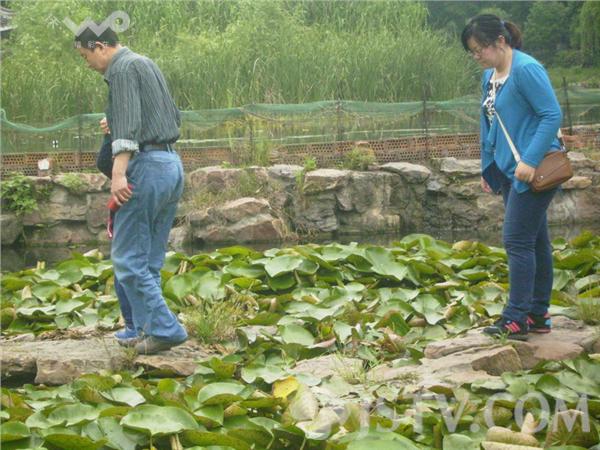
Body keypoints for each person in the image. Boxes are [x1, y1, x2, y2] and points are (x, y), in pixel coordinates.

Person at [75, 24, 188, 354]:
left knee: (127, 259)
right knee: (148, 261)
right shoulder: (145, 62)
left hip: (146, 167)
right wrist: (115, 122)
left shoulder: (121, 69)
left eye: (85, 56)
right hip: (170, 165)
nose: (87, 64)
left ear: (99, 46)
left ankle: (165, 329)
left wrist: (118, 174)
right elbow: (172, 117)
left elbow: (127, 130)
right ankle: (143, 329)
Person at [461, 15, 563, 340]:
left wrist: (530, 160)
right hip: (508, 170)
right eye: (472, 52)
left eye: (479, 49)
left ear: (500, 42)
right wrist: (488, 166)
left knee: (516, 240)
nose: (476, 56)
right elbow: (488, 123)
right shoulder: (490, 77)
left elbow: (551, 114)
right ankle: (538, 314)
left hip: (535, 169)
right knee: (536, 240)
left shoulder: (526, 69)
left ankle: (516, 318)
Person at [97, 129, 137, 341]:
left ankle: (133, 326)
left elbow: (104, 163)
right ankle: (145, 324)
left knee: (124, 266)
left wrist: (110, 135)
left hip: (131, 201)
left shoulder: (131, 148)